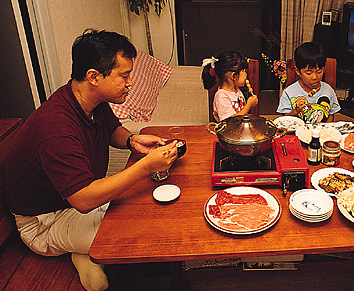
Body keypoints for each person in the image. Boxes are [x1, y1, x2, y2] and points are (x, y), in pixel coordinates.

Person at [6, 29, 180, 291]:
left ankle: (82, 250)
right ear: (94, 76)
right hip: (45, 222)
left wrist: (132, 141)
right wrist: (145, 165)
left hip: (74, 202)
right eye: (124, 75)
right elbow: (84, 199)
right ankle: (88, 253)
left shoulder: (91, 100)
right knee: (144, 233)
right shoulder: (56, 128)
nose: (130, 82)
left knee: (147, 206)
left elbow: (111, 130)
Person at [277, 42, 341, 123]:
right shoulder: (289, 92)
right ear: (297, 71)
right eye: (308, 73)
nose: (314, 77)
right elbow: (284, 120)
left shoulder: (328, 90)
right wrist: (296, 111)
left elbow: (330, 115)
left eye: (319, 71)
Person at [201, 51, 258, 122]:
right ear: (233, 76)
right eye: (243, 71)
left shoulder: (236, 90)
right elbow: (230, 122)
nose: (246, 74)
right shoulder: (221, 96)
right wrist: (248, 105)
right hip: (228, 132)